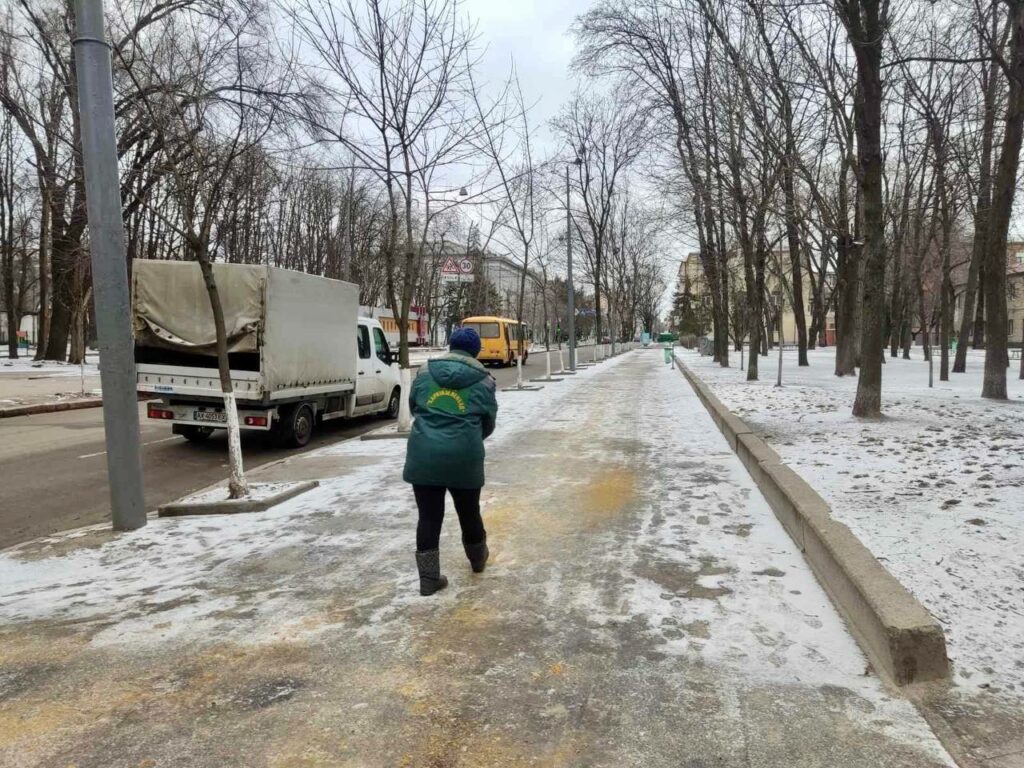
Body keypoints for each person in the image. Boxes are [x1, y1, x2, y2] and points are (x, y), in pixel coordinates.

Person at [403, 327, 499, 596]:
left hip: (424, 455)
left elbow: (414, 407)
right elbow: (488, 423)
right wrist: (468, 436)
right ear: (476, 350)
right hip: (464, 456)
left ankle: (429, 579)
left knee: (429, 516)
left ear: (450, 345)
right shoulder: (484, 380)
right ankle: (478, 560)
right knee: (469, 511)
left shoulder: (424, 373)